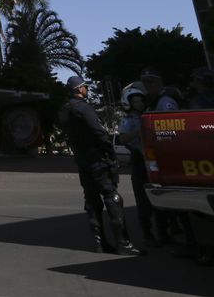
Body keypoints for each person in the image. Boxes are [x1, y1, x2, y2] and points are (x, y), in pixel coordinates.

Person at [58, 76, 143, 256]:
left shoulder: (64, 110)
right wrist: (109, 152)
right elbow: (99, 132)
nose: (86, 89)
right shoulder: (83, 108)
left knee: (92, 201)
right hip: (97, 159)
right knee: (112, 197)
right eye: (84, 87)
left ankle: (100, 243)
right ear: (79, 89)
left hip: (82, 160)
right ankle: (123, 243)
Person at [117, 84, 159, 246]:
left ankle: (165, 230)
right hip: (139, 160)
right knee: (143, 198)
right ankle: (147, 233)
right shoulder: (128, 120)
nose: (139, 104)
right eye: (135, 101)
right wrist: (140, 130)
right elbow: (123, 139)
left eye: (140, 100)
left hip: (154, 159)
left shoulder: (148, 116)